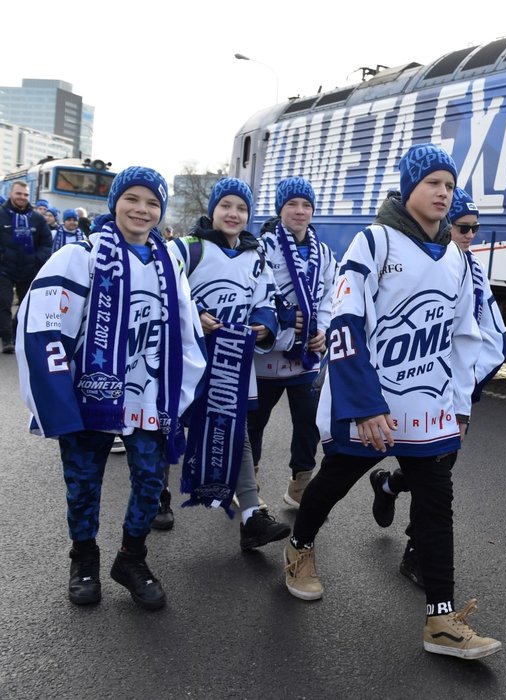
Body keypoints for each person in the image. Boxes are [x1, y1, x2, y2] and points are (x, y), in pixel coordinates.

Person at [285, 143, 501, 660]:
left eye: (449, 186)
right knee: (332, 483)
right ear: (409, 189)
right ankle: (299, 548)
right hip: (371, 404)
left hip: (427, 408)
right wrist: (364, 403)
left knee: (435, 505)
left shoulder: (457, 259)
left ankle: (442, 619)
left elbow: (464, 339)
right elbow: (345, 321)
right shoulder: (374, 242)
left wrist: (461, 405)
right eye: (433, 184)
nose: (443, 194)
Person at [14, 166, 207, 610]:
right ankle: (83, 557)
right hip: (88, 395)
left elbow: (186, 333)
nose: (142, 209)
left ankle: (131, 558)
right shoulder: (78, 257)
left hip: (147, 395)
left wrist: (178, 397)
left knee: (149, 479)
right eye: (132, 199)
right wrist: (58, 402)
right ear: (114, 202)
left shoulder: (168, 262)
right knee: (83, 484)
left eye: (153, 202)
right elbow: (43, 329)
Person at [369, 187, 506, 587]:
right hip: (414, 387)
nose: (468, 236)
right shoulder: (418, 264)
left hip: (454, 392)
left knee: (437, 471)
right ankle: (415, 552)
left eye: (475, 229)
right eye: (462, 227)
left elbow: (489, 334)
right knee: (434, 474)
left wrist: (468, 387)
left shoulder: (472, 270)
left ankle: (391, 487)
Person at [160, 177, 290, 549]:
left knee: (237, 432)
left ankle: (252, 514)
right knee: (169, 427)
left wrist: (264, 327)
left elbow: (266, 300)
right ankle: (158, 496)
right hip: (186, 358)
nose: (234, 214)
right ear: (212, 209)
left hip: (232, 360)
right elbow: (164, 289)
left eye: (242, 208)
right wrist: (194, 314)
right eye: (226, 206)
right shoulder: (186, 248)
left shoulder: (254, 257)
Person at [247, 177, 335, 508]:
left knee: (309, 423)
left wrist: (321, 329)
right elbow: (257, 297)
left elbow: (329, 295)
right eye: (292, 205)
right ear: (280, 209)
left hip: (306, 358)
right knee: (254, 422)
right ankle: (249, 487)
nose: (300, 211)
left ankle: (299, 486)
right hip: (268, 357)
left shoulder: (323, 253)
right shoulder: (261, 248)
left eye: (306, 205)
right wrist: (284, 325)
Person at [0, 181, 52, 353]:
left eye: (25, 194)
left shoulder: (37, 218)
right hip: (4, 269)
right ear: (11, 194)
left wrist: (38, 259)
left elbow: (46, 243)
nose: (22, 197)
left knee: (25, 306)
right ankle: (7, 339)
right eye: (18, 194)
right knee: (4, 303)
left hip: (29, 270)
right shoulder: (1, 215)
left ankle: (15, 334)